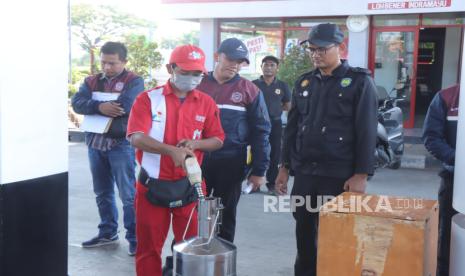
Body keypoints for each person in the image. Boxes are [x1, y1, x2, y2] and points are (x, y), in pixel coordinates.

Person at [275, 23, 378, 276]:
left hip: (339, 176)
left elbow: (367, 131)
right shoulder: (304, 82)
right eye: (312, 49)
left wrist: (361, 174)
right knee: (304, 232)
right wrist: (284, 167)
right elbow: (292, 130)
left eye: (322, 49)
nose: (316, 54)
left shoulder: (359, 82)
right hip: (306, 175)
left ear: (340, 47)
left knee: (338, 234)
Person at [126, 45, 225, 276]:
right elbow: (136, 137)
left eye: (196, 74)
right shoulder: (148, 99)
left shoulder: (206, 102)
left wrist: (196, 144)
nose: (191, 79)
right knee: (148, 249)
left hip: (191, 187)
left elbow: (218, 138)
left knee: (192, 248)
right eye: (185, 72)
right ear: (170, 68)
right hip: (152, 186)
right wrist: (170, 151)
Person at [72, 41, 143, 256]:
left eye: (112, 63)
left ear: (124, 61)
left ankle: (135, 239)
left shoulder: (134, 81)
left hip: (120, 144)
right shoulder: (91, 81)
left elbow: (128, 105)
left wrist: (95, 105)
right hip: (95, 144)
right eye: (104, 62)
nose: (107, 67)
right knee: (102, 192)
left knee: (128, 194)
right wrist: (100, 106)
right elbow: (77, 102)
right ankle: (107, 232)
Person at [197, 37, 271, 242]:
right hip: (196, 160)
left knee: (225, 214)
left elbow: (261, 132)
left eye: (239, 62)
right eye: (230, 59)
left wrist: (259, 170)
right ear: (216, 56)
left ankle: (222, 264)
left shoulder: (250, 90)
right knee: (191, 211)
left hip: (231, 162)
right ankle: (189, 261)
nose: (234, 65)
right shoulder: (198, 83)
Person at [422, 84, 460, 276]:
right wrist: (460, 161)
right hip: (455, 181)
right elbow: (431, 138)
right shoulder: (447, 97)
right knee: (449, 238)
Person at [253, 55, 291, 194]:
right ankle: (254, 184)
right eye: (266, 65)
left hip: (275, 124)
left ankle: (271, 185)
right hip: (256, 124)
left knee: (275, 154)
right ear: (261, 67)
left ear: (277, 68)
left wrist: (276, 110)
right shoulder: (253, 84)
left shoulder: (282, 86)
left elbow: (288, 105)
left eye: (272, 65)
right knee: (256, 152)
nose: (269, 68)